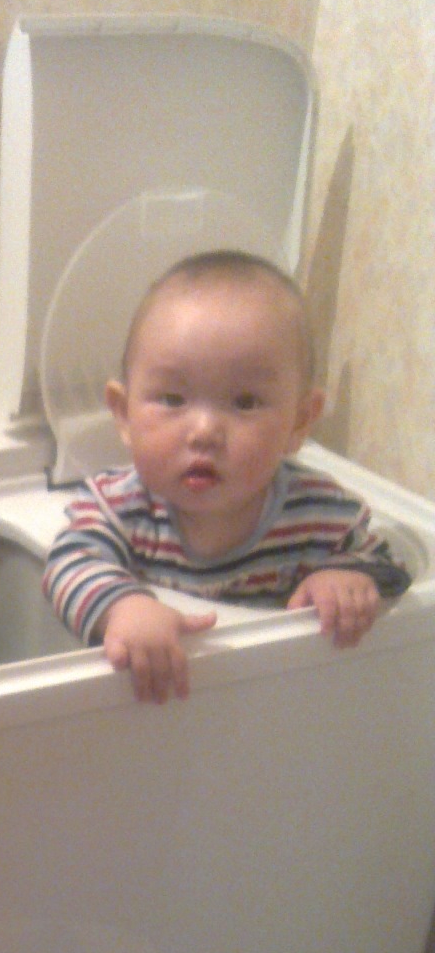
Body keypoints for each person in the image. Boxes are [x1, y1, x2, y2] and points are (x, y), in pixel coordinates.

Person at [41, 250, 410, 702]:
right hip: (156, 708)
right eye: (173, 399)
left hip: (268, 705)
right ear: (123, 414)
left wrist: (347, 578)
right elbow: (67, 564)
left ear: (299, 421)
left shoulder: (319, 512)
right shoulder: (116, 505)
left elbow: (390, 566)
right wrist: (122, 606)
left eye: (245, 402)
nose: (204, 431)